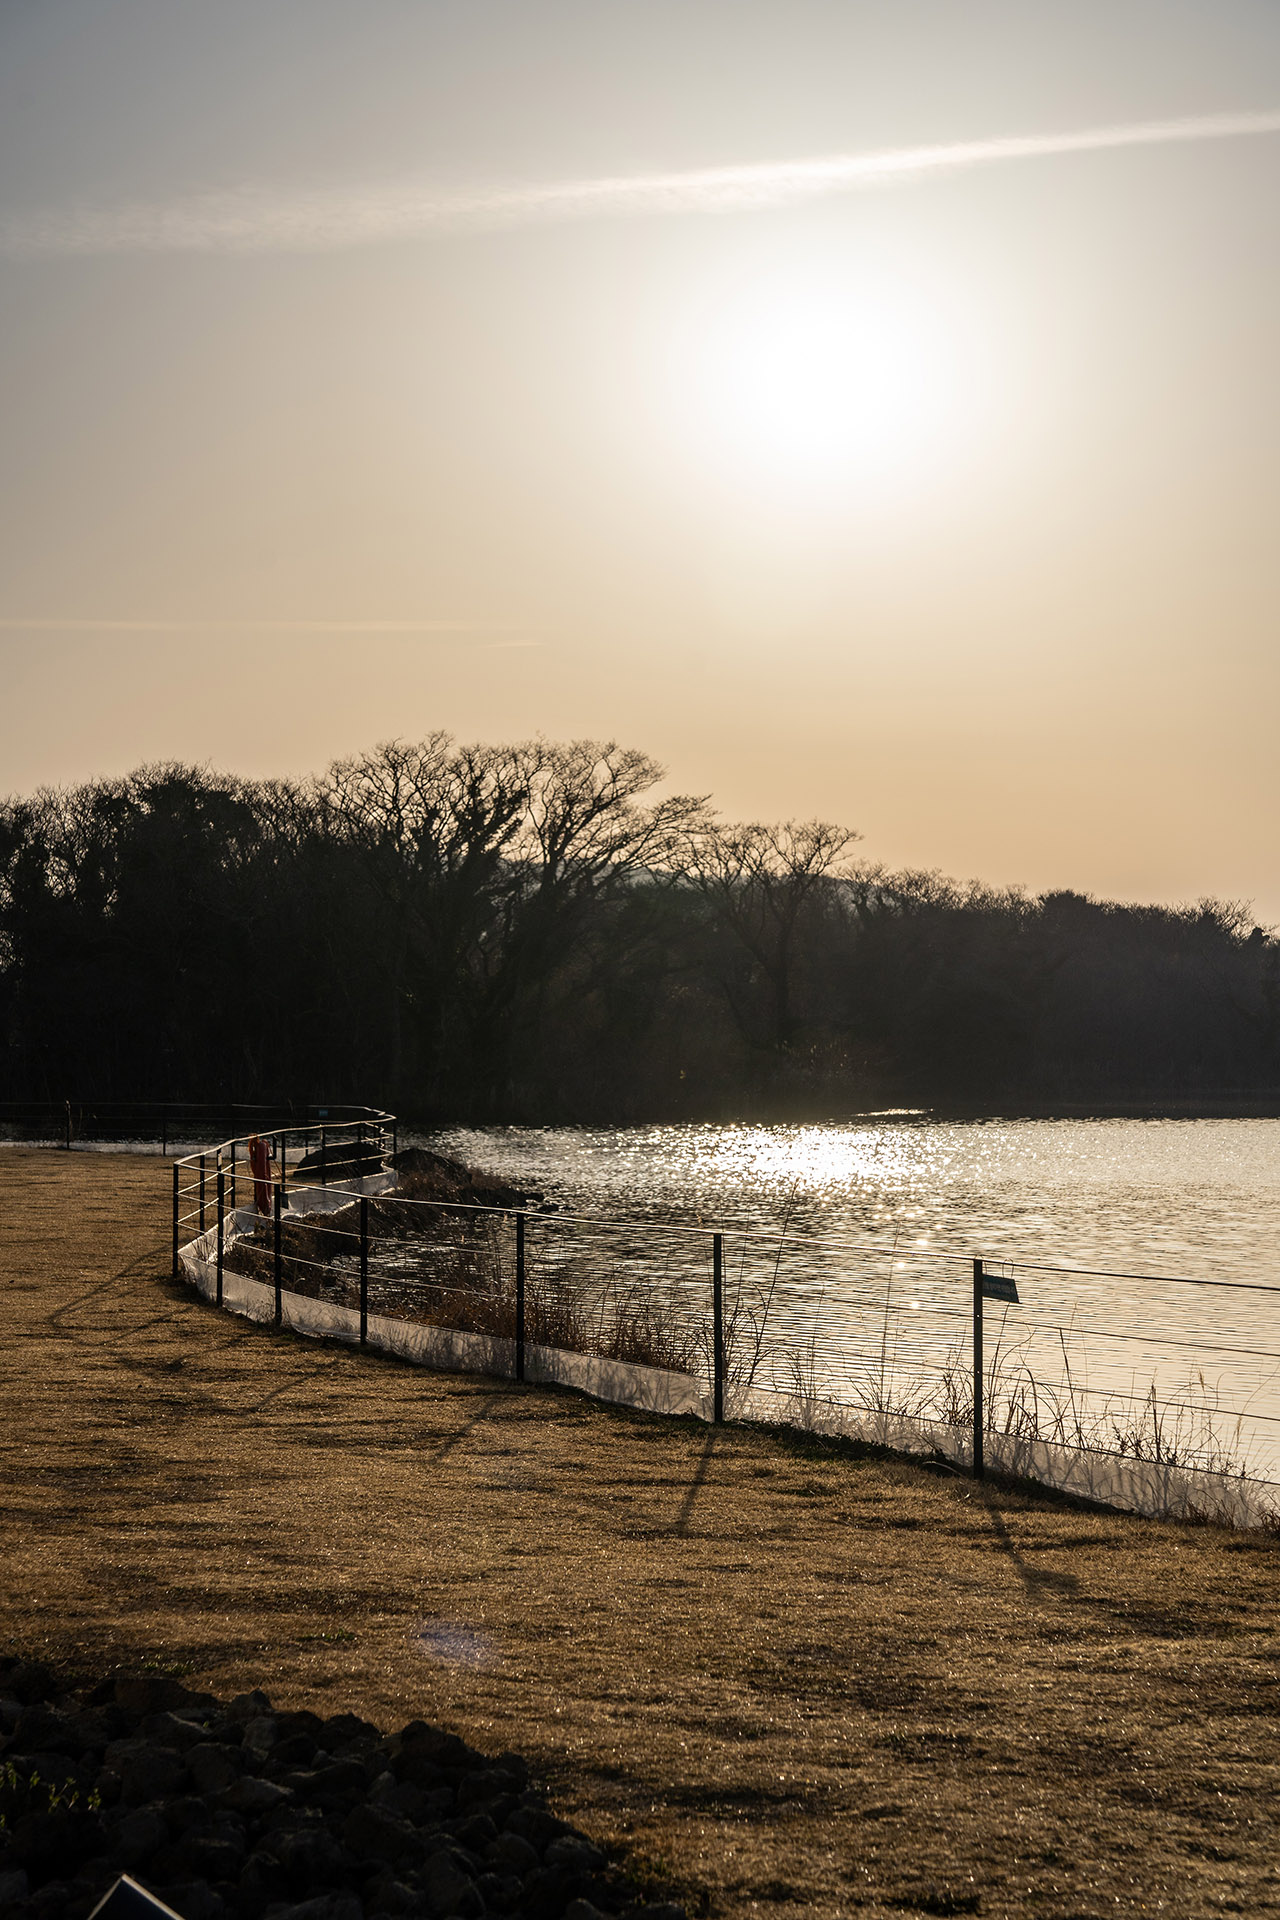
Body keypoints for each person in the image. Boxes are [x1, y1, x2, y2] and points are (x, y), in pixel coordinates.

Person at [247, 1132, 273, 1215]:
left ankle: (265, 1206)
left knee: (264, 1179)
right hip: (260, 1153)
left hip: (262, 1173)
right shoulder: (262, 1146)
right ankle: (264, 1206)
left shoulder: (262, 1146)